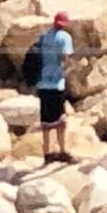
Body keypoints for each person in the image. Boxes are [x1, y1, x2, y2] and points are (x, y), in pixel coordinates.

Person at [37, 11, 74, 163]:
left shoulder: (44, 37)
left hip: (43, 83)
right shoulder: (64, 37)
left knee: (46, 121)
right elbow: (66, 58)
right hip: (57, 84)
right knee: (61, 120)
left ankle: (47, 153)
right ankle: (63, 151)